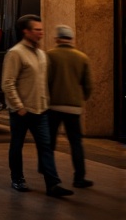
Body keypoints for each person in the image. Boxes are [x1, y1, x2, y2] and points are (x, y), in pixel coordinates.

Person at [1, 14, 70, 197]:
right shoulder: (15, 53)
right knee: (17, 145)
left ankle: (53, 184)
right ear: (26, 32)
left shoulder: (41, 54)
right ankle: (17, 178)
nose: (41, 33)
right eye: (37, 30)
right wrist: (19, 107)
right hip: (21, 111)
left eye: (41, 29)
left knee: (46, 146)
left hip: (41, 109)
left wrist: (46, 103)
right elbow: (7, 83)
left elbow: (43, 81)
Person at [47, 25, 93, 189]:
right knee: (76, 143)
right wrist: (81, 98)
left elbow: (46, 80)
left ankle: (51, 176)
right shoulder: (82, 57)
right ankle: (79, 178)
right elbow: (88, 85)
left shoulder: (50, 55)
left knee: (50, 143)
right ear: (71, 39)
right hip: (73, 107)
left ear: (58, 39)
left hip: (53, 106)